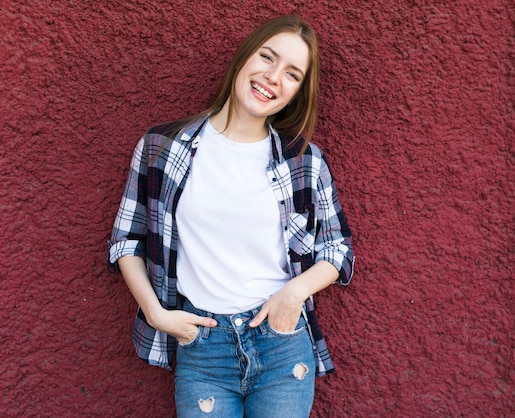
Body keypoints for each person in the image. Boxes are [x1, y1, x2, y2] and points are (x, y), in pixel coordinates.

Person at [107, 15, 354, 417]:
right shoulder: (161, 147)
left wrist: (293, 294)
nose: (273, 77)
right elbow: (125, 240)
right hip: (202, 347)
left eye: (292, 73)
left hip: (282, 342)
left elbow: (337, 248)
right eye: (267, 57)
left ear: (296, 93)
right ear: (244, 58)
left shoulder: (304, 162)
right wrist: (156, 313)